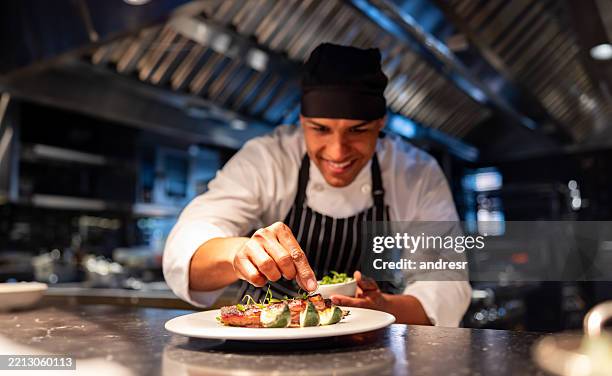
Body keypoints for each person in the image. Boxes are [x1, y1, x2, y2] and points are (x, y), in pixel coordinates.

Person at [163, 43, 471, 326]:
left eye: (358, 130)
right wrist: (239, 252)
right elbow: (186, 251)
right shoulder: (267, 159)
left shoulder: (415, 173)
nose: (337, 152)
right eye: (320, 129)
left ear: (380, 124)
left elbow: (445, 282)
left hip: (370, 348)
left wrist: (382, 307)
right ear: (301, 121)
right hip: (261, 349)